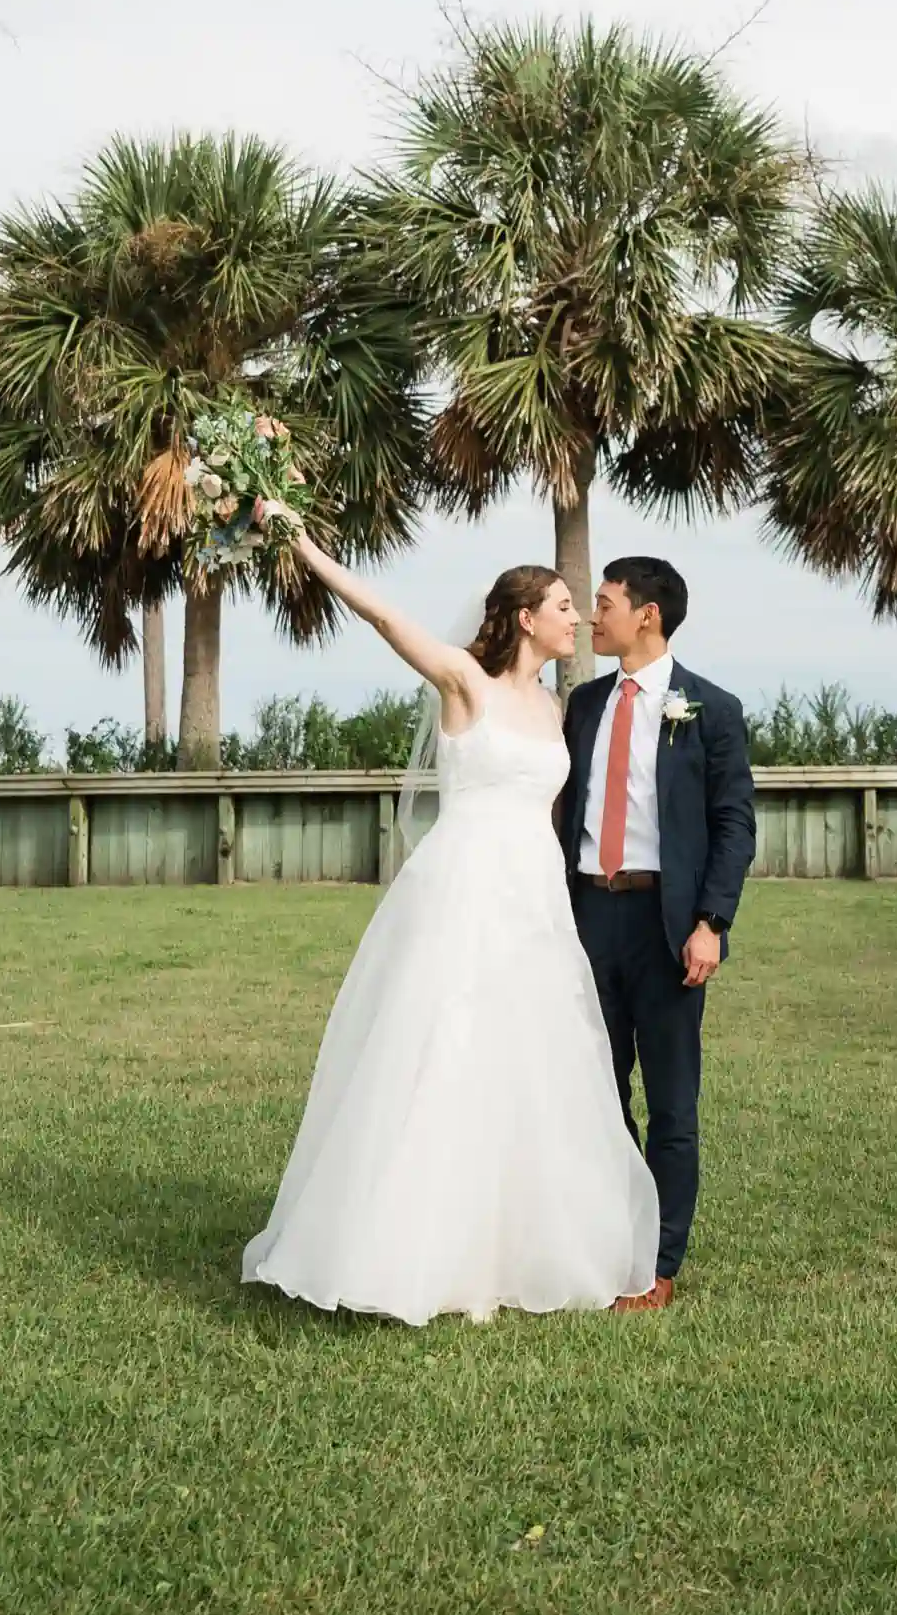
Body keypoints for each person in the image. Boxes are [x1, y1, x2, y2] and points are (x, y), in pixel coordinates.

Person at [240, 520, 660, 1325]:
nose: (577, 619)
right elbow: (386, 619)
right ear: (525, 615)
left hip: (534, 901)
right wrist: (301, 545)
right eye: (565, 605)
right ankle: (410, 1246)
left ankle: (516, 1243)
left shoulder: (557, 707)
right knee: (445, 1050)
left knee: (533, 1062)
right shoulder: (464, 680)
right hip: (465, 889)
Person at [556, 557, 756, 1309]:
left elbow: (734, 824)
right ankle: (606, 1245)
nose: (590, 617)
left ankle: (658, 1267)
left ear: (647, 615)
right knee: (596, 1098)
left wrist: (711, 923)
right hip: (584, 918)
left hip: (667, 927)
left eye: (603, 604)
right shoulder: (583, 705)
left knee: (672, 1106)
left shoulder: (712, 708)